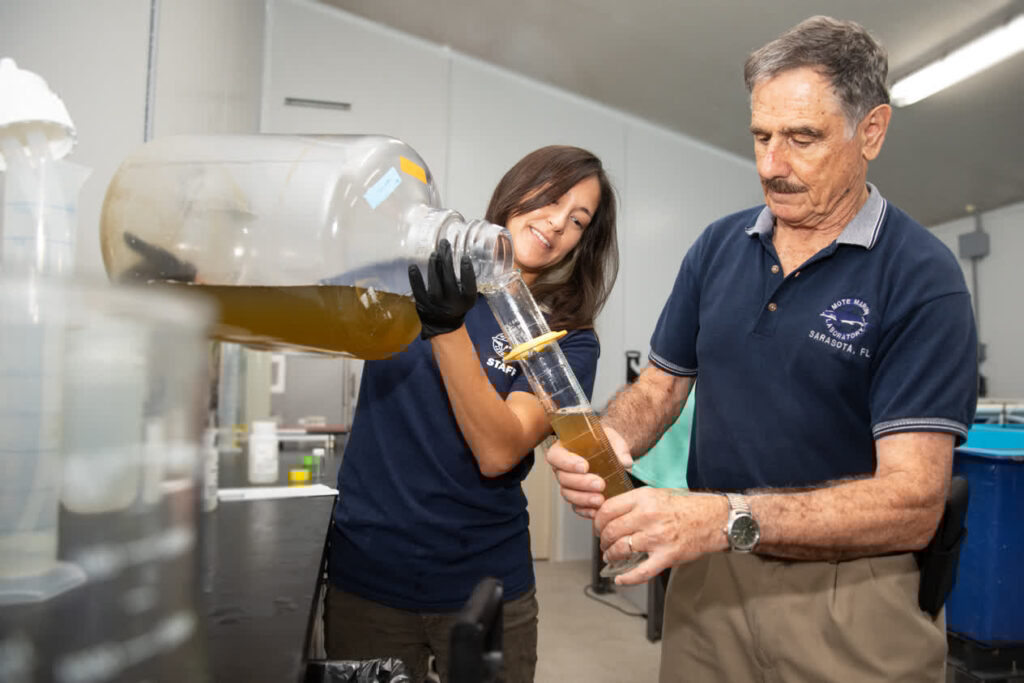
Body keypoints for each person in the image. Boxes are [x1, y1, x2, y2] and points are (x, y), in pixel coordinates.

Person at [546, 16, 977, 683]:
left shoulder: (921, 275)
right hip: (710, 586)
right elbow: (659, 389)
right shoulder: (718, 249)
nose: (771, 165)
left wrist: (729, 518)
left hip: (849, 598)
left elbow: (913, 501)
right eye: (761, 136)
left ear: (872, 131)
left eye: (802, 138)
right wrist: (607, 440)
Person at [324, 145, 619, 683]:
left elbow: (498, 450)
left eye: (578, 220)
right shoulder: (409, 272)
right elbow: (312, 291)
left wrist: (447, 326)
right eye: (551, 198)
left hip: (484, 581)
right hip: (369, 567)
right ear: (516, 189)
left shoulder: (567, 341)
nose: (557, 222)